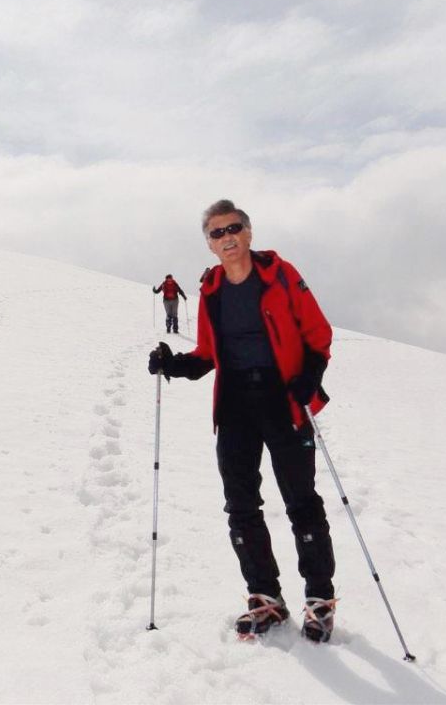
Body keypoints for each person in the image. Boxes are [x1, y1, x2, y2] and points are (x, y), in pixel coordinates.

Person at [147, 199, 337, 643]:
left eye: (233, 228)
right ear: (209, 245)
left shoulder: (281, 275)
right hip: (235, 405)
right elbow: (209, 355)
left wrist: (309, 377)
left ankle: (319, 599)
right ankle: (264, 597)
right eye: (216, 233)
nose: (226, 237)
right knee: (241, 505)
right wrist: (172, 364)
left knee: (301, 501)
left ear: (249, 233)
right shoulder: (212, 289)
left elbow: (318, 335)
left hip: (283, 399)